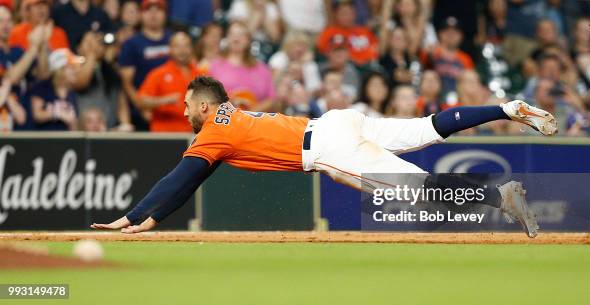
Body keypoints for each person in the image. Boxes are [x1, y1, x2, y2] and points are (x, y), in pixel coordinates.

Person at [91, 76, 558, 238]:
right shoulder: (232, 116)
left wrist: (135, 215)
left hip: (328, 147)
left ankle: (501, 198)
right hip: (336, 121)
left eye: (190, 104)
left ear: (208, 107)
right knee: (426, 127)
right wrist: (151, 218)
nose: (186, 110)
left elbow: (181, 177)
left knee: (415, 189)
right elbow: (191, 179)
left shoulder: (212, 129)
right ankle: (504, 108)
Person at [118, 0, 171, 131]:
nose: (153, 14)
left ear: (165, 14)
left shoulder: (175, 40)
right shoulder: (131, 44)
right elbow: (126, 83)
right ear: (141, 14)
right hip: (141, 113)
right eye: (148, 9)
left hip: (172, 111)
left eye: (158, 9)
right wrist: (142, 107)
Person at [208, 21, 276, 112]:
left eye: (241, 34)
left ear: (249, 40)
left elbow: (271, 98)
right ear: (227, 38)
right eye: (232, 34)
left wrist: (252, 112)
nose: (236, 38)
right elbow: (206, 96)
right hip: (224, 119)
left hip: (254, 121)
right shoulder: (214, 65)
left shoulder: (261, 69)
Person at [138, 32, 198, 132]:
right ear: (170, 49)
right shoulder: (158, 74)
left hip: (194, 136)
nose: (182, 50)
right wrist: (164, 100)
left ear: (192, 49)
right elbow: (141, 101)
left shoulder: (200, 74)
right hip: (166, 136)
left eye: (186, 46)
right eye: (177, 46)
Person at [29, 48, 81, 131]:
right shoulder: (42, 87)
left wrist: (73, 124)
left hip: (65, 140)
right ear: (60, 70)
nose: (75, 71)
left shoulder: (71, 92)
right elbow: (36, 115)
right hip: (44, 139)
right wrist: (56, 113)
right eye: (71, 67)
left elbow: (73, 123)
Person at [420, 16, 474, 93]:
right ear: (439, 34)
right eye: (447, 31)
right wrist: (430, 55)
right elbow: (422, 68)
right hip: (434, 99)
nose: (451, 35)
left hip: (458, 98)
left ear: (461, 36)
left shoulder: (465, 58)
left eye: (455, 32)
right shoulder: (431, 51)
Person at [317, 0, 378, 66]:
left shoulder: (364, 31)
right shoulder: (329, 33)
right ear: (336, 14)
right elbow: (322, 54)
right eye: (343, 13)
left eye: (350, 13)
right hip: (345, 68)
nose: (347, 17)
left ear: (354, 13)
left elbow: (376, 49)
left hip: (368, 66)